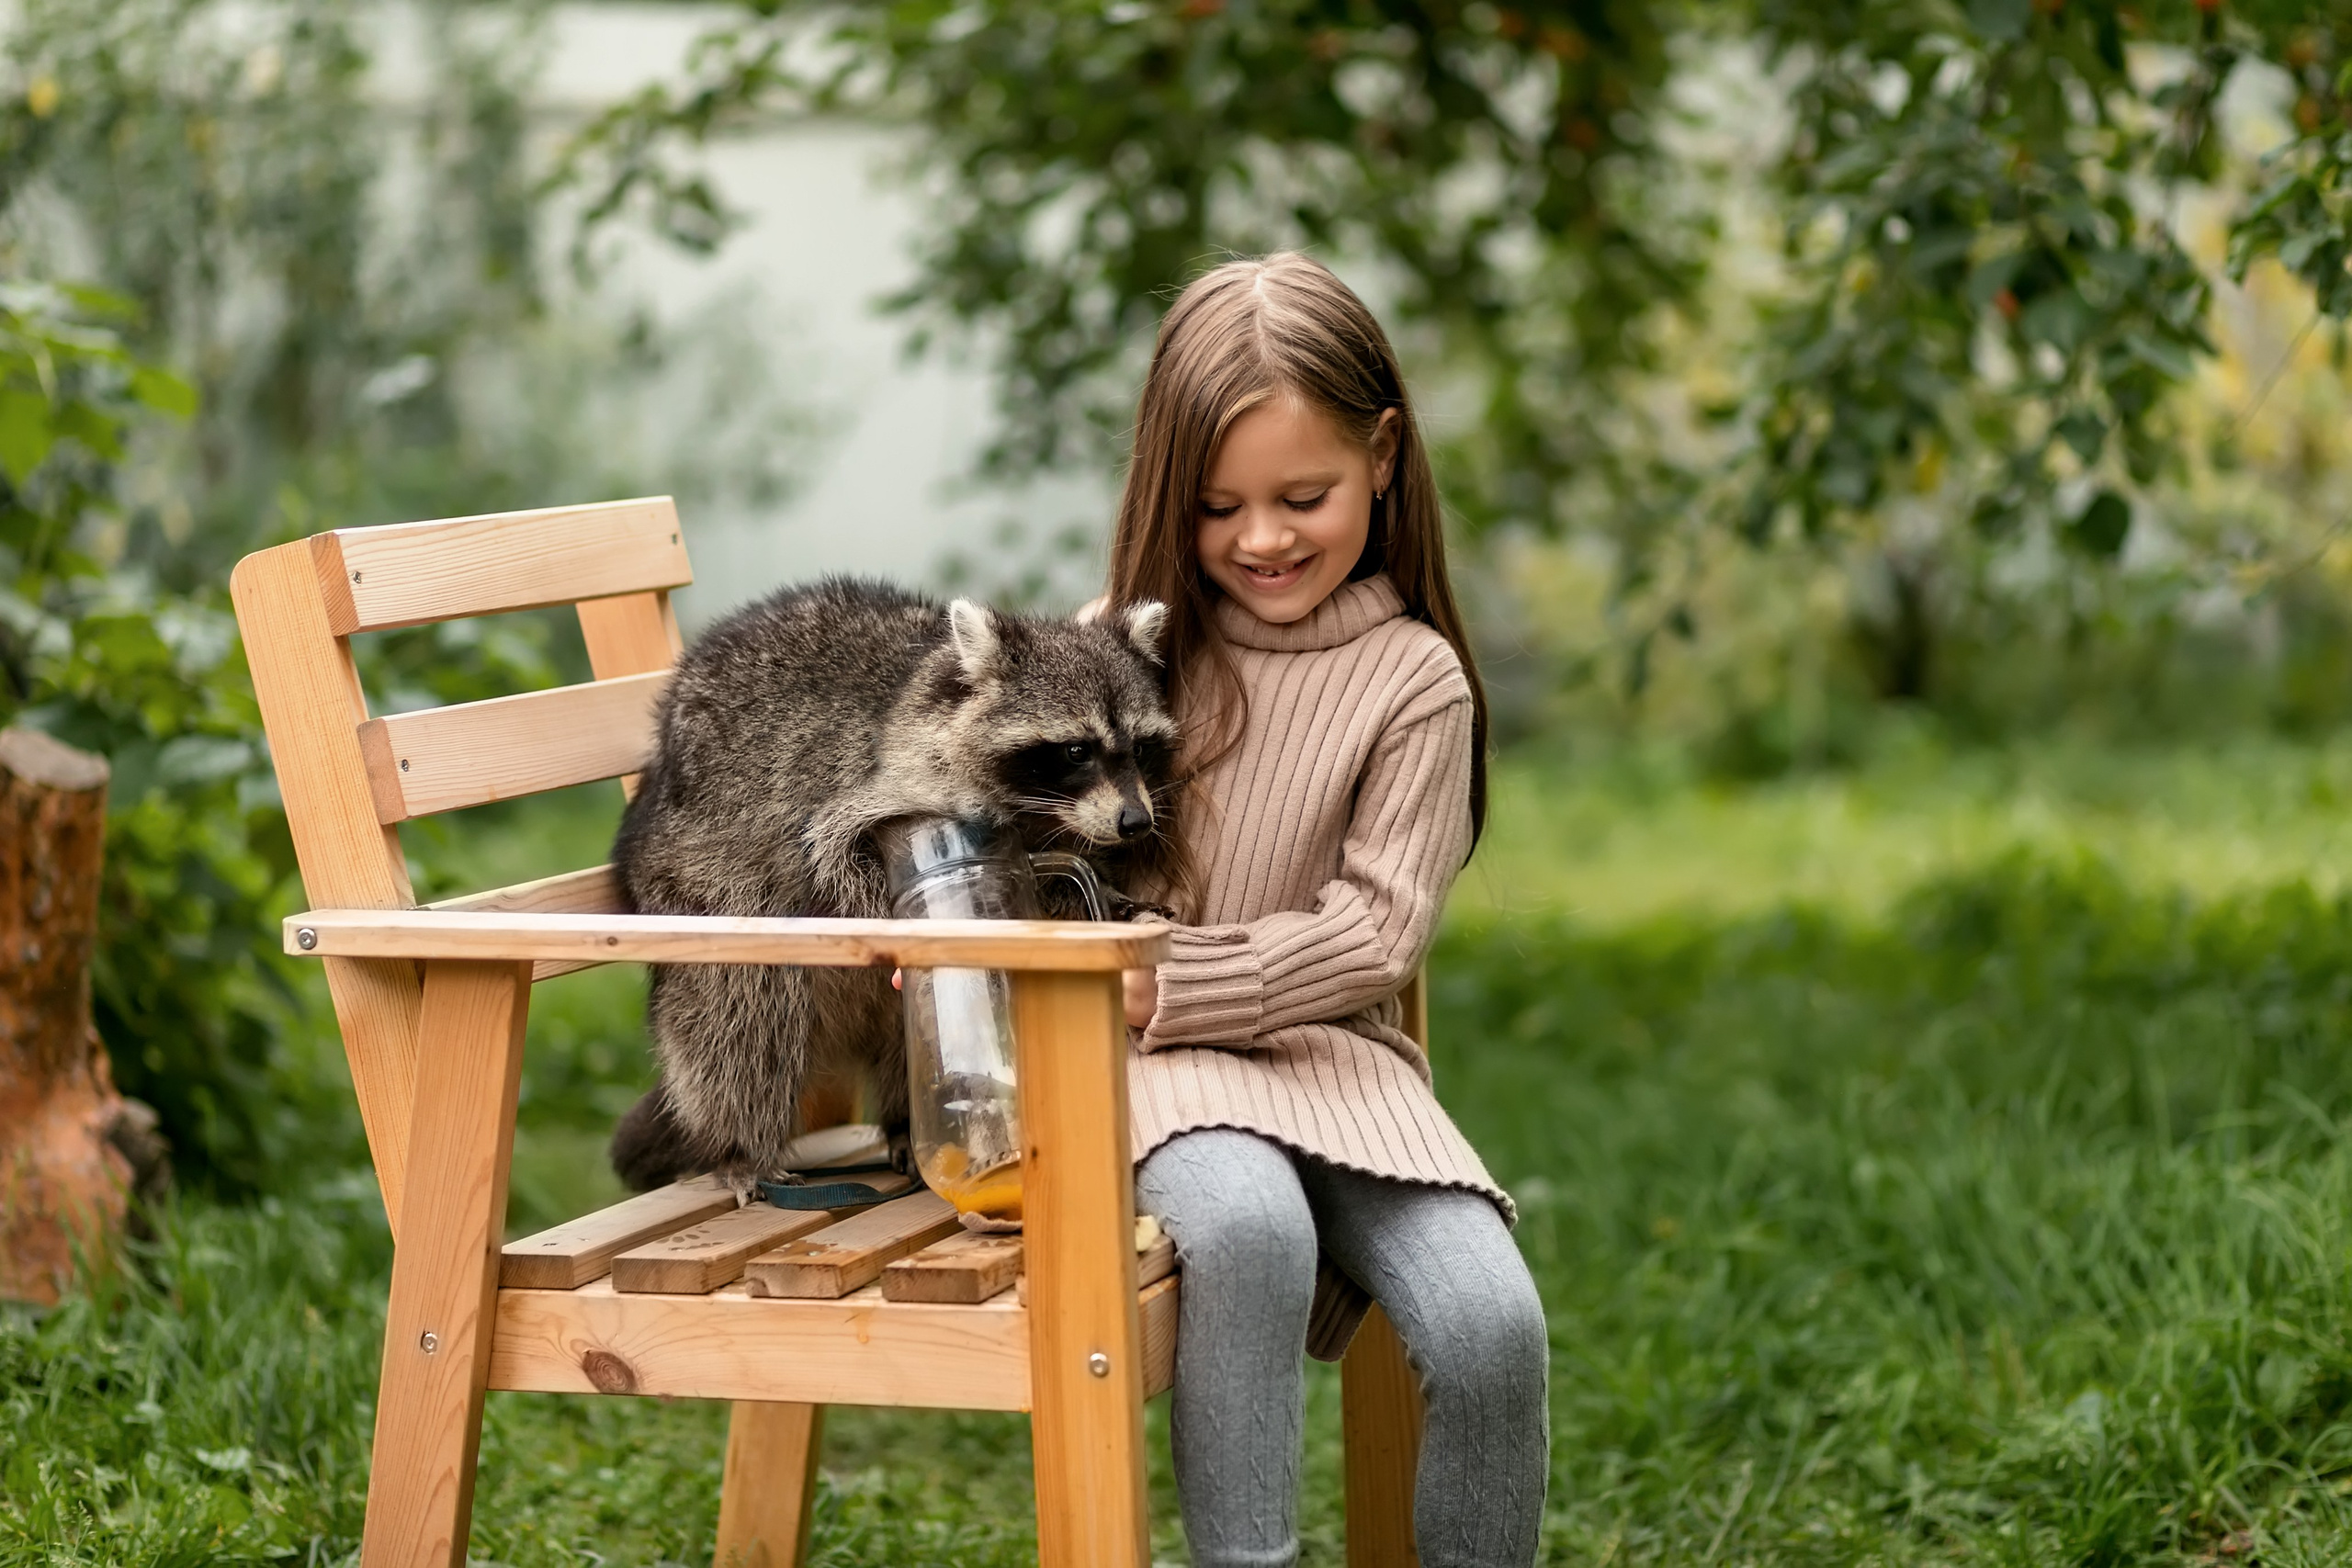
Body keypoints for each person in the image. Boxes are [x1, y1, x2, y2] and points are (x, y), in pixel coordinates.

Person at [1104, 253, 1550, 1568]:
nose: (1261, 539)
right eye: (1217, 505)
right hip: (1151, 1075)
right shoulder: (1122, 650)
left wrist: (1179, 974)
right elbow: (996, 826)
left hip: (1340, 1073)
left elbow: (1376, 933)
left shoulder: (1415, 682)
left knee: (1490, 1326)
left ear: (1386, 458)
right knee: (1248, 1227)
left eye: (1304, 496)